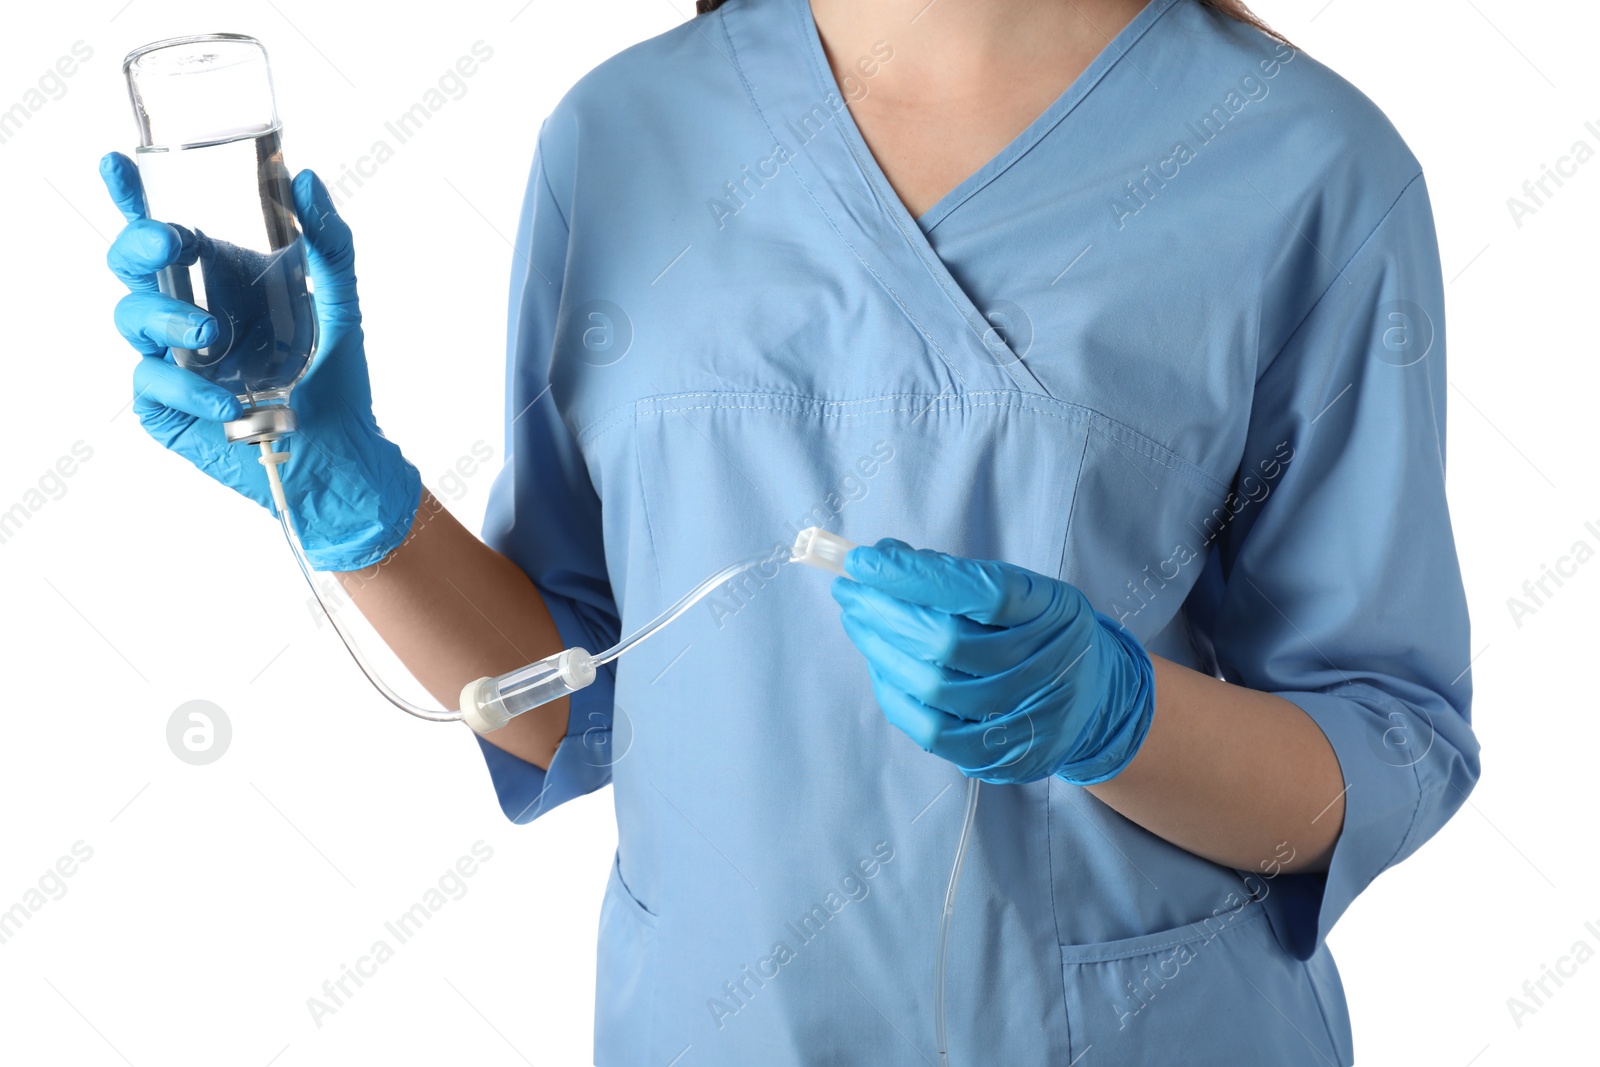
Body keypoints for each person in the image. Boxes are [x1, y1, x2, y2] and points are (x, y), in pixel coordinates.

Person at [100, 0, 1480, 1062]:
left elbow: (1390, 739)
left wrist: (1117, 716)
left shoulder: (1306, 167)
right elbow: (573, 701)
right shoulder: (625, 135)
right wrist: (350, 495)